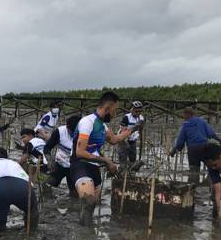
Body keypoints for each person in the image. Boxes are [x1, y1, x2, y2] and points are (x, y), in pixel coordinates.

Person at [71, 91, 138, 225]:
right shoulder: (87, 122)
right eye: (115, 110)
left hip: (94, 167)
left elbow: (114, 139)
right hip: (81, 165)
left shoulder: (102, 125)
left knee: (91, 206)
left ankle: (85, 234)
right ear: (107, 108)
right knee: (88, 201)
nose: (115, 114)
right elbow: (80, 152)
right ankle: (86, 234)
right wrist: (107, 161)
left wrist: (132, 129)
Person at [169, 107, 221, 182]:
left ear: (187, 114)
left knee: (194, 171)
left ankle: (194, 188)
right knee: (212, 167)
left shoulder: (185, 125)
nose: (183, 117)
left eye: (184, 115)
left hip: (193, 151)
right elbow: (211, 134)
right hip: (205, 148)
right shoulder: (202, 122)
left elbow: (180, 143)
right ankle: (208, 184)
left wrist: (174, 151)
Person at [43, 114, 81, 196]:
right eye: (72, 132)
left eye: (76, 132)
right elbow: (47, 148)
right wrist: (50, 161)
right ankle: (49, 206)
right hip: (60, 165)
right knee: (46, 185)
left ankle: (72, 207)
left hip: (75, 167)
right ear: (67, 127)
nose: (74, 134)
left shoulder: (85, 134)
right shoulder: (60, 132)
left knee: (75, 193)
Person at [117, 101, 145, 166]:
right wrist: (125, 143)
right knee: (123, 159)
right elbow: (123, 131)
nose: (138, 113)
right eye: (136, 111)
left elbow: (141, 130)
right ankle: (123, 172)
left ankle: (131, 173)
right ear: (132, 110)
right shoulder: (126, 117)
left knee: (133, 159)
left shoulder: (141, 118)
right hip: (123, 140)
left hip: (133, 140)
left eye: (140, 111)